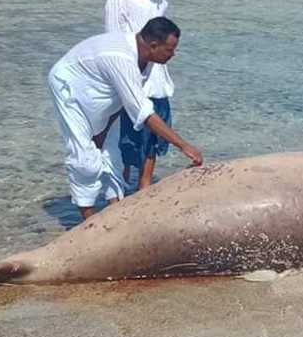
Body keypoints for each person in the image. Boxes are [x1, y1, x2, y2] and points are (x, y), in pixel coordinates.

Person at [48, 17, 203, 220]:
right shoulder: (122, 58)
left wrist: (104, 129)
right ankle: (88, 218)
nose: (173, 55)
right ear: (154, 45)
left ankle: (116, 209)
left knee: (113, 152)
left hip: (101, 88)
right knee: (85, 156)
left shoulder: (145, 57)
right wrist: (183, 145)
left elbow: (125, 101)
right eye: (170, 50)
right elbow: (143, 112)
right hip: (68, 85)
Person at [104, 0, 174, 190]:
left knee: (152, 144)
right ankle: (118, 193)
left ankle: (144, 190)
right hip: (132, 82)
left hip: (158, 82)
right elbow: (113, 45)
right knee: (127, 145)